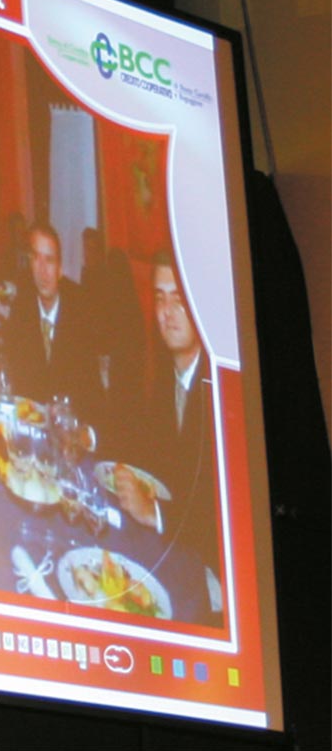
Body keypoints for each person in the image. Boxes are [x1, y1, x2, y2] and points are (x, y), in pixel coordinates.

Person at [115, 250, 222, 594]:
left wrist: (154, 512)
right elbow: (155, 457)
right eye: (160, 298)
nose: (167, 312)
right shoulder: (165, 375)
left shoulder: (222, 389)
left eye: (180, 300)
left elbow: (221, 514)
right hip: (171, 548)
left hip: (215, 574)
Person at [4, 222, 101, 419]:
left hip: (70, 424)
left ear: (60, 269)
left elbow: (91, 392)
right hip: (30, 421)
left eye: (49, 260)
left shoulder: (81, 316)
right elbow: (17, 378)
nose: (42, 271)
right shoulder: (21, 311)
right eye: (36, 258)